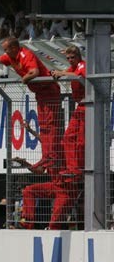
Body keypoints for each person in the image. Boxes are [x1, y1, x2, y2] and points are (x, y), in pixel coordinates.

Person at [0, 37, 62, 171]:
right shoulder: (11, 57)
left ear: (14, 48)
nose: (5, 52)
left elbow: (34, 72)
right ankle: (47, 157)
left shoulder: (25, 55)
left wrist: (25, 79)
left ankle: (51, 158)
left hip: (49, 90)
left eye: (6, 49)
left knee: (50, 125)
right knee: (44, 125)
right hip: (41, 92)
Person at [50, 45, 86, 176]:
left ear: (78, 57)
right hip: (80, 107)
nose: (70, 60)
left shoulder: (82, 65)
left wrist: (61, 73)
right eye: (68, 58)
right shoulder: (73, 68)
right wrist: (55, 73)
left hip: (88, 106)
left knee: (81, 141)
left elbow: (79, 75)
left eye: (72, 57)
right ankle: (73, 168)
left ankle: (81, 168)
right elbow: (68, 72)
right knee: (68, 137)